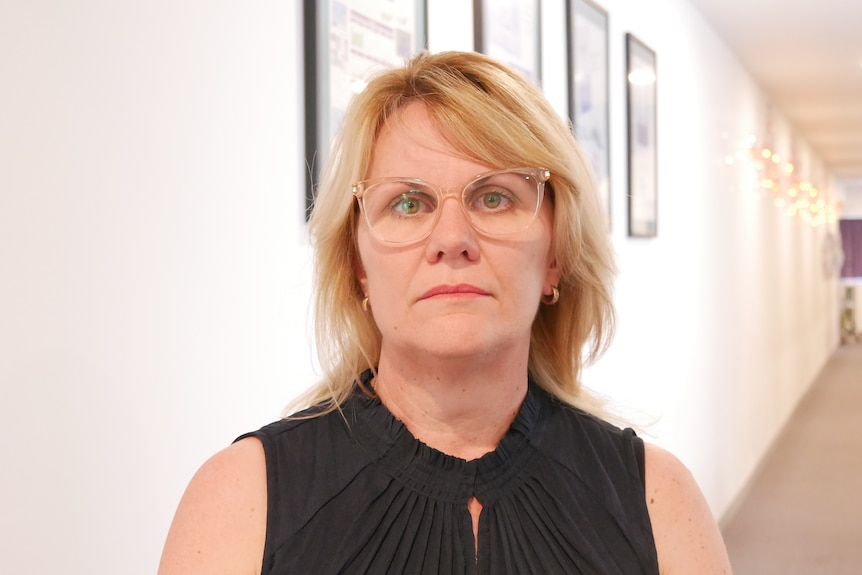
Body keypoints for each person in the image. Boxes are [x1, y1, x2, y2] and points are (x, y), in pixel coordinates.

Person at [158, 50, 732, 574]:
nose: (452, 238)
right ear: (358, 265)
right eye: (408, 203)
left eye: (495, 197)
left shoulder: (656, 499)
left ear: (555, 254)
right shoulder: (242, 501)